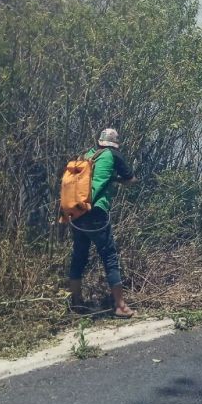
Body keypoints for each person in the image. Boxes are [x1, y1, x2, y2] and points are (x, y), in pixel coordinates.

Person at [69, 128, 137, 318]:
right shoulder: (113, 155)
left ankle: (76, 304)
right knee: (109, 257)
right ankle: (121, 307)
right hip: (96, 213)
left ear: (99, 141)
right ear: (114, 143)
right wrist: (116, 180)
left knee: (79, 256)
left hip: (77, 212)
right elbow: (131, 179)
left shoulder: (87, 155)